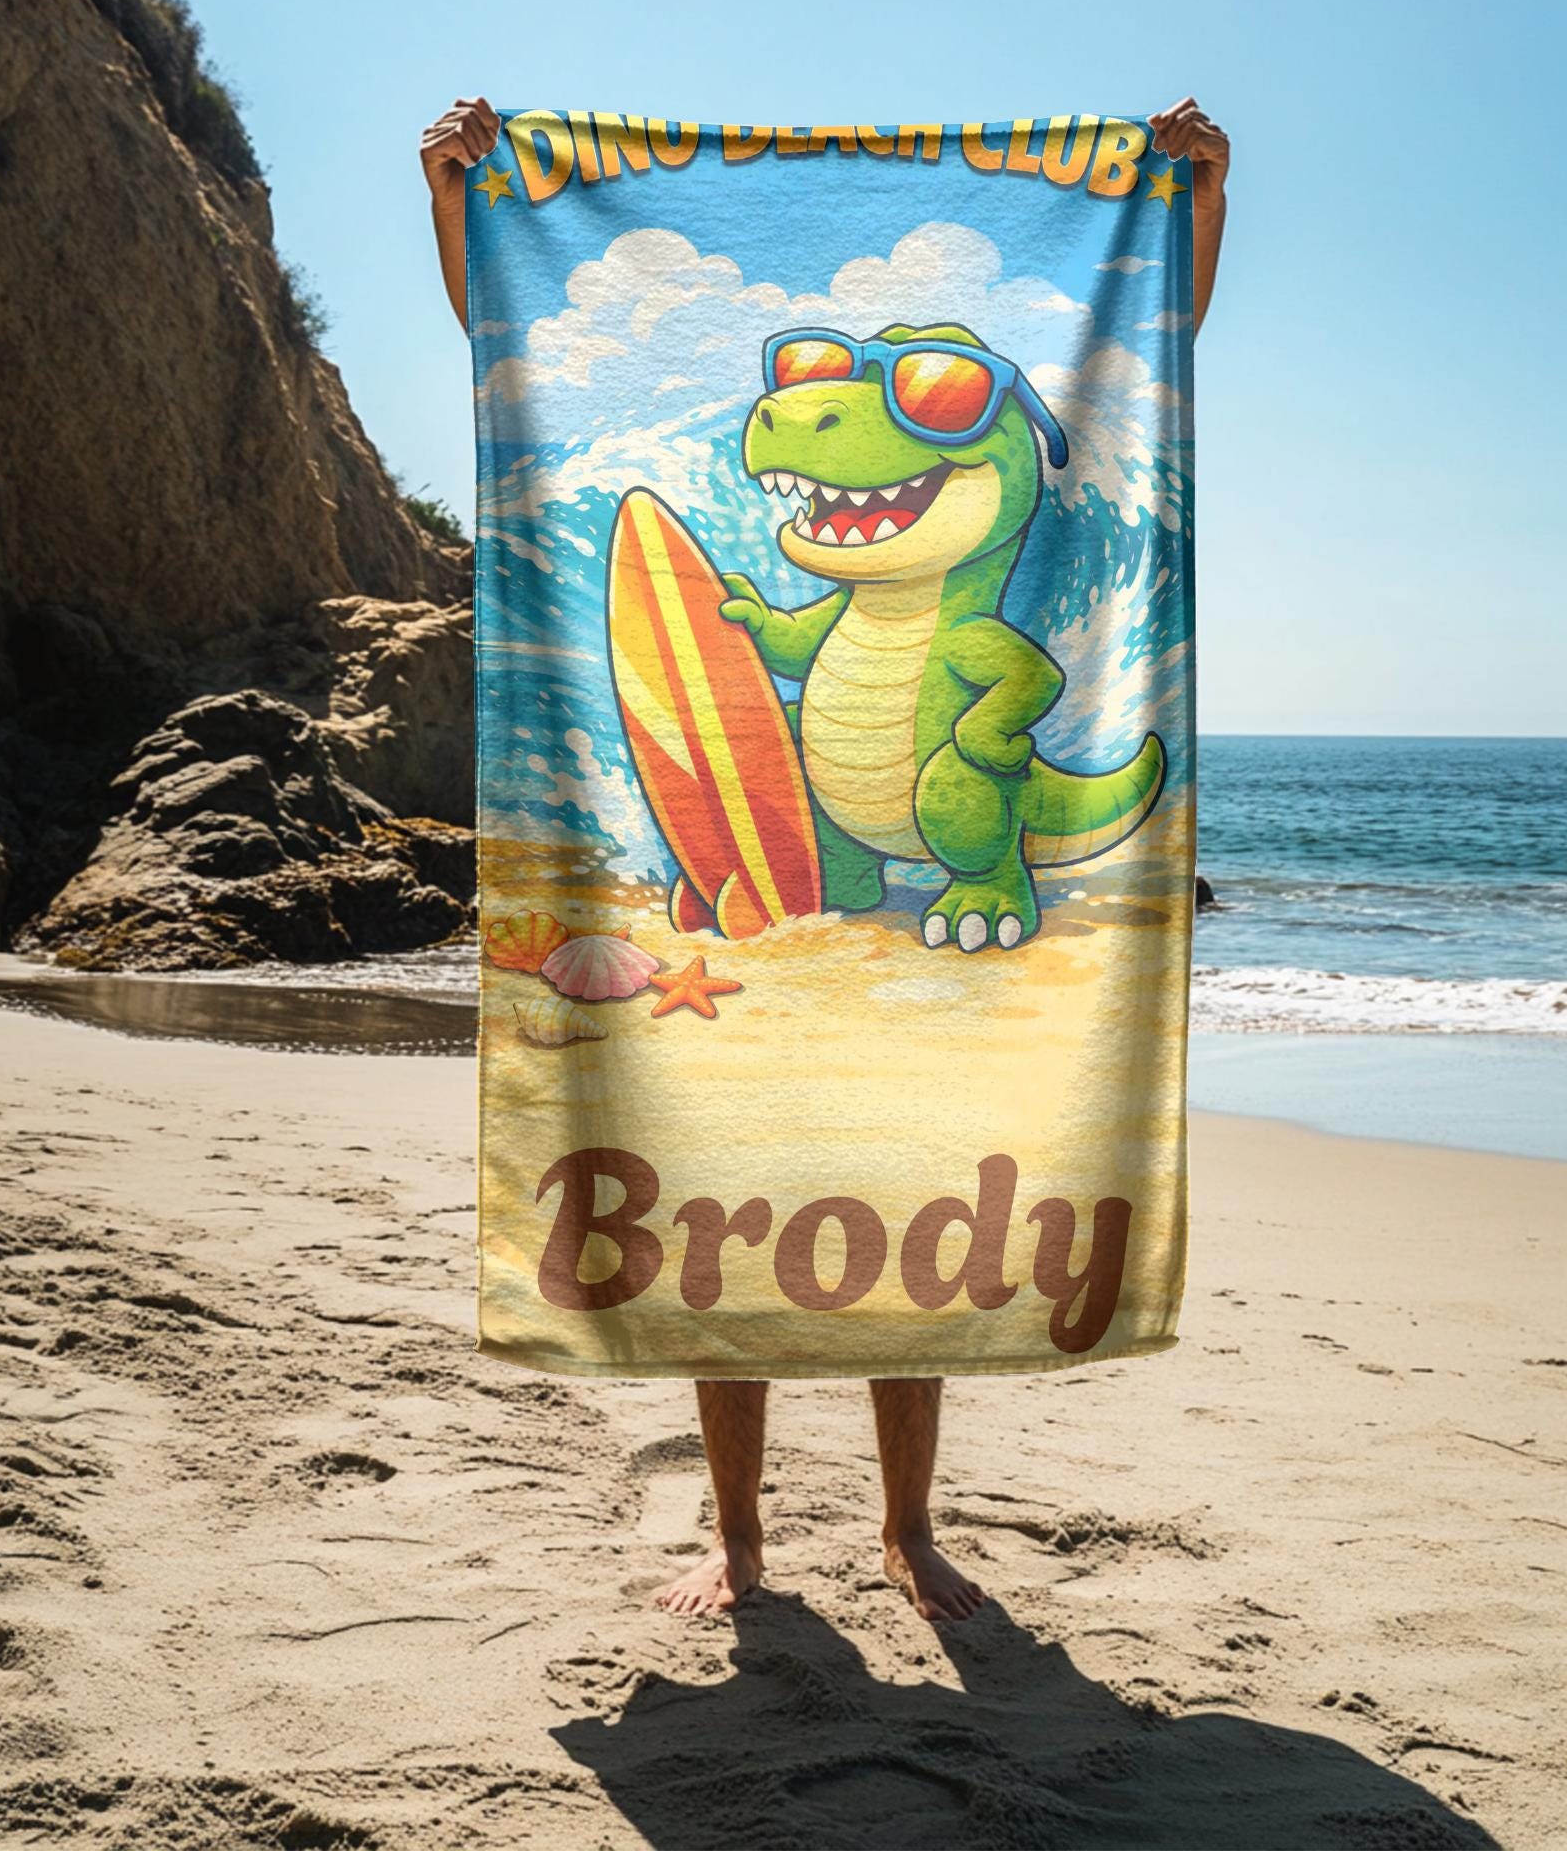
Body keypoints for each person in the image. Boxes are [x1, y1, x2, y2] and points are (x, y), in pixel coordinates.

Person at [422, 96, 1231, 1622]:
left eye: (930, 396)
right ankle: (738, 1541)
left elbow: (1158, 331)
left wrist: (1204, 190)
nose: (827, 413)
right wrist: (453, 191)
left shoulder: (989, 598)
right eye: (809, 380)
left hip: (941, 922)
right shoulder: (831, 598)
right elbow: (510, 343)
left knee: (908, 1254)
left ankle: (906, 1530)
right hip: (808, 916)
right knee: (720, 1252)